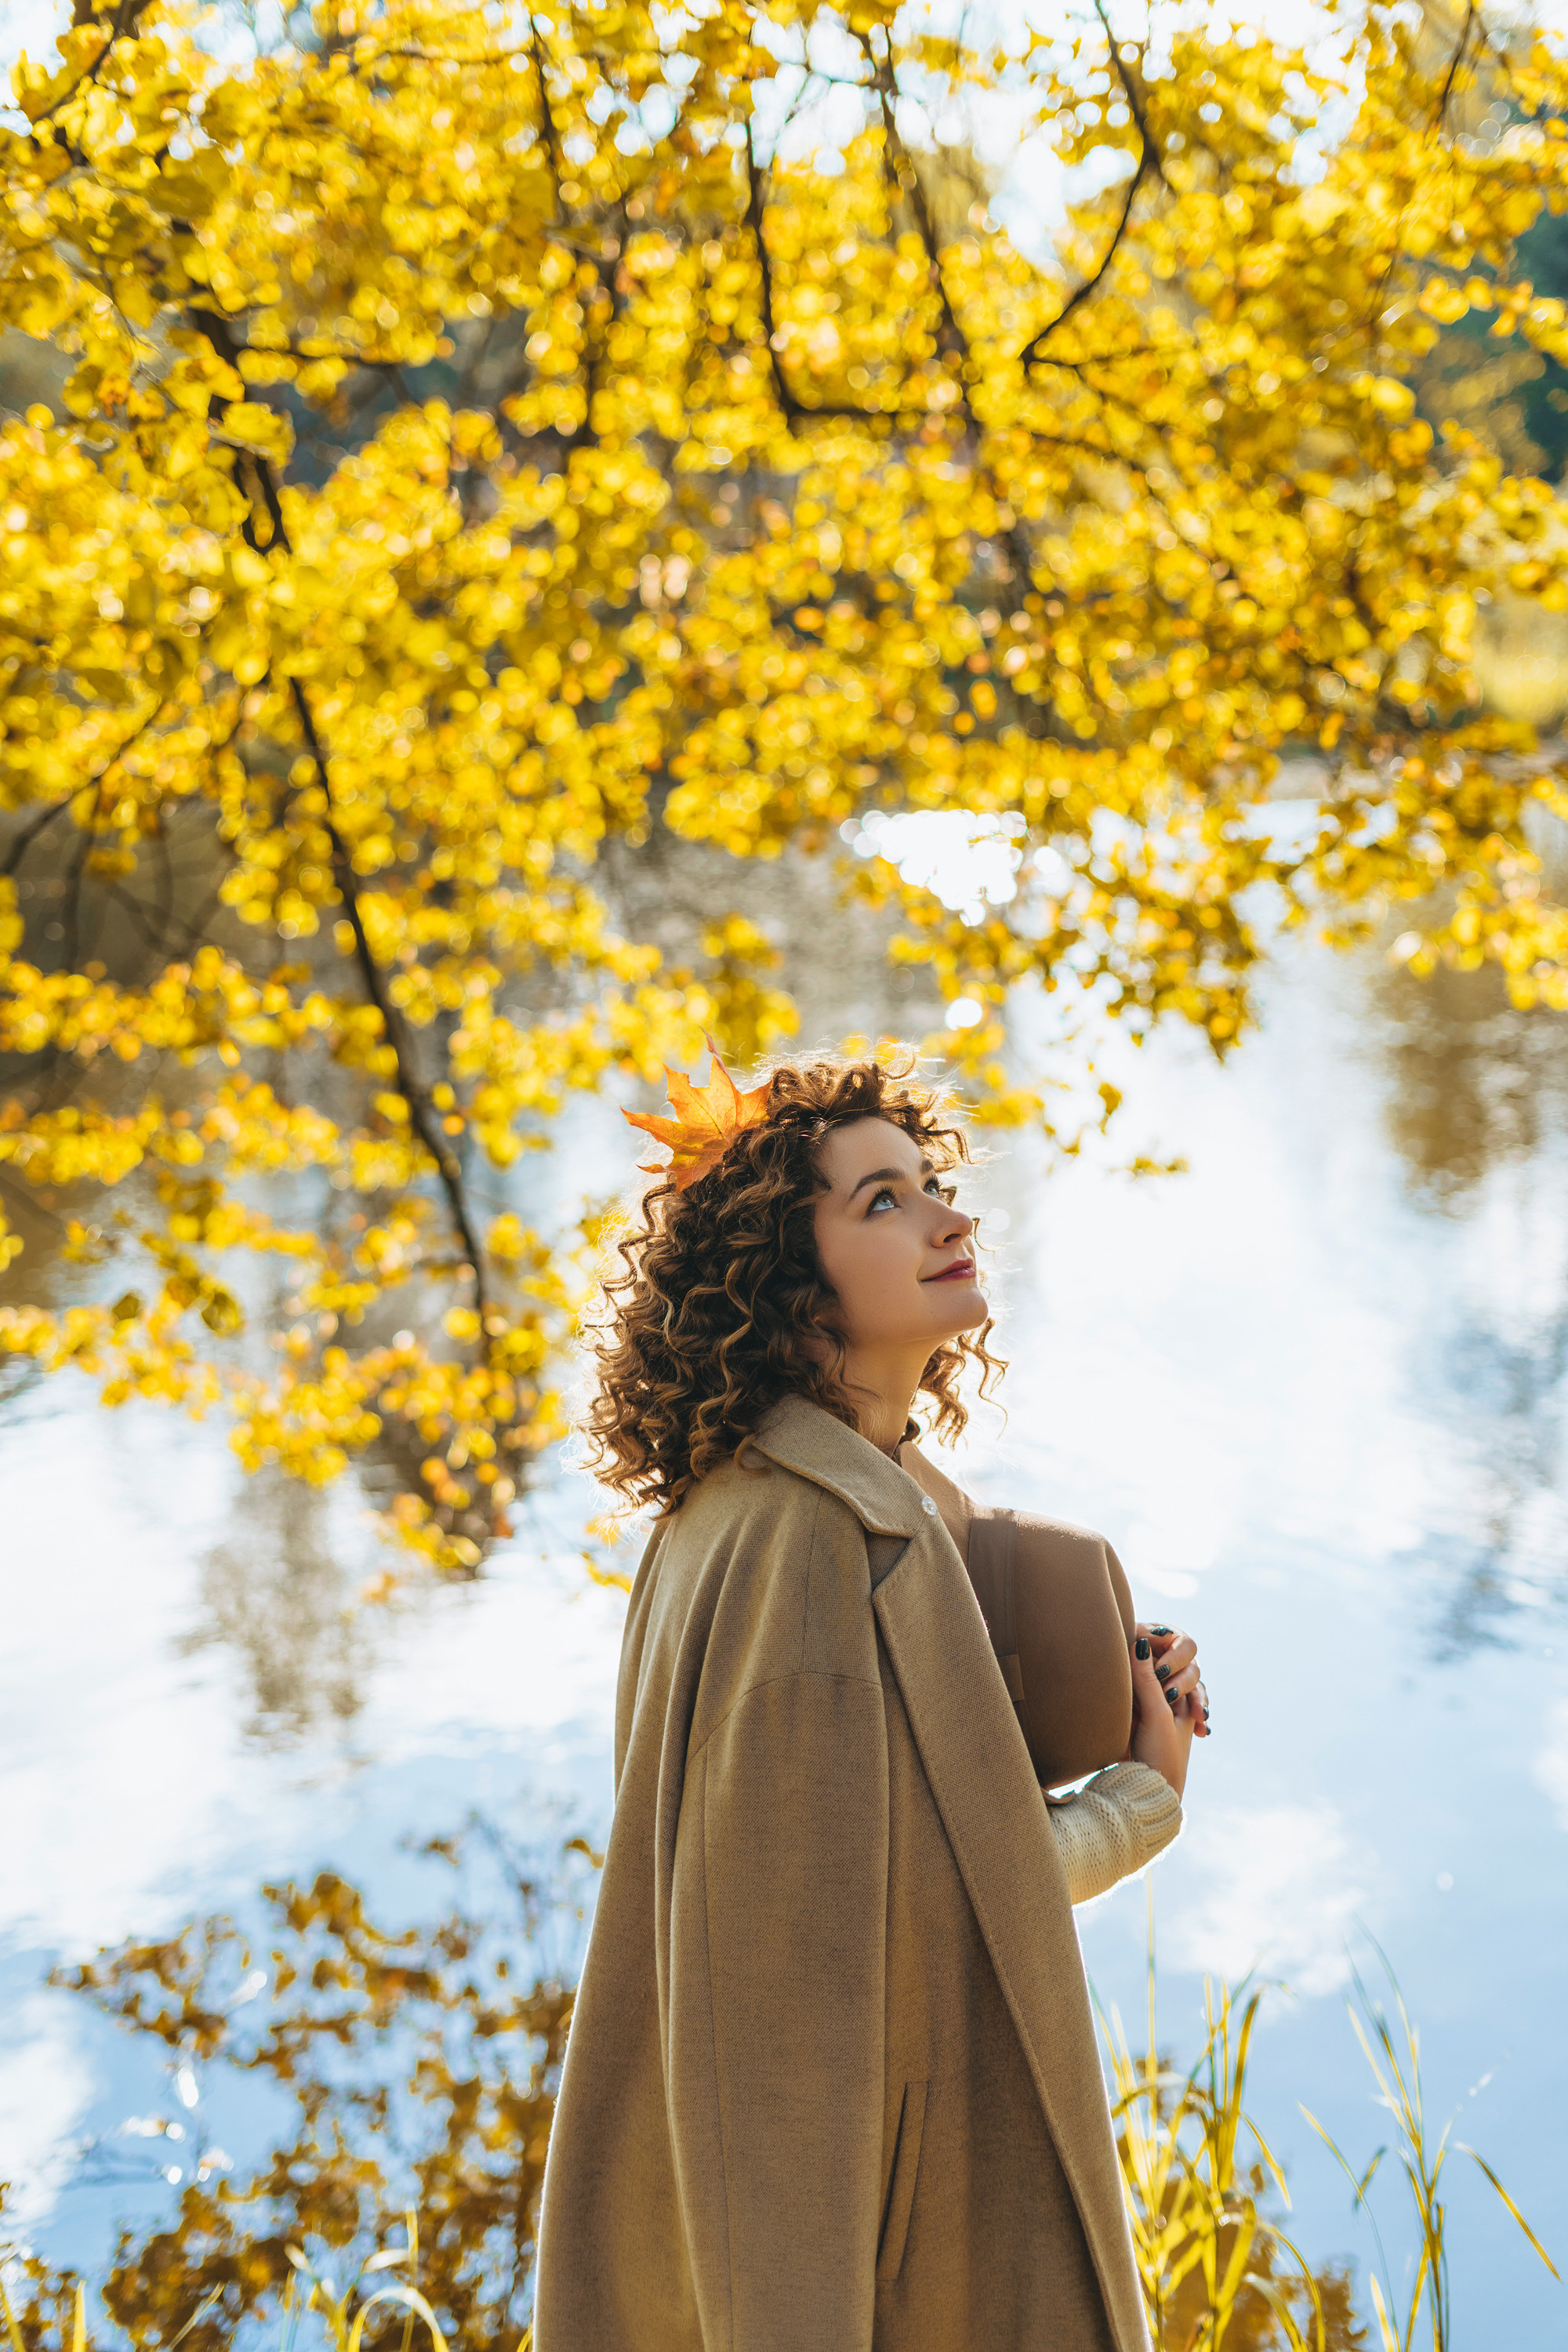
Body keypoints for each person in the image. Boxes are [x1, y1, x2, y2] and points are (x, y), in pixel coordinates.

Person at [533, 1047, 1206, 2351]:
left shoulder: (786, 1503)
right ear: (789, 1286)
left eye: (929, 1185)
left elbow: (891, 1875)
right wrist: (1136, 1803)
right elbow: (806, 2021)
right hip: (875, 2272)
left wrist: (1087, 1694)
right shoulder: (809, 1549)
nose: (948, 1220)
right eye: (882, 1202)